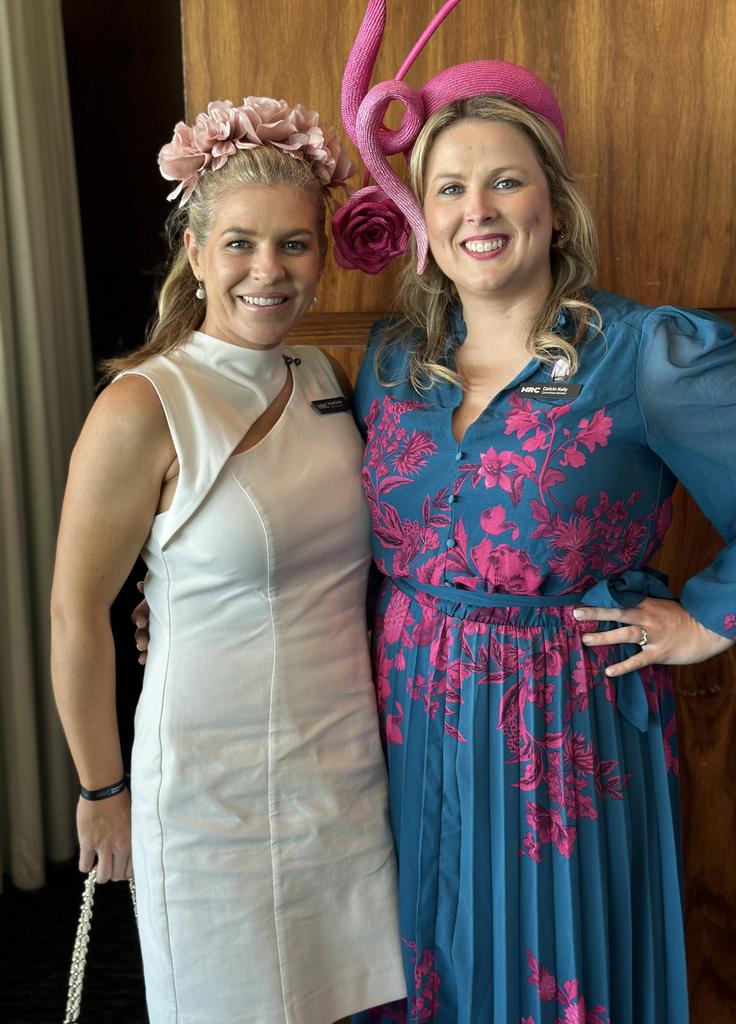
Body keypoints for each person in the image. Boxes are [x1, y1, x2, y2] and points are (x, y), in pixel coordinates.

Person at [328, 1, 736, 1021]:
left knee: (550, 981)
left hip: (564, 744)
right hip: (402, 731)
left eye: (505, 180)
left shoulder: (647, 355)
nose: (477, 208)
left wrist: (706, 618)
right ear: (424, 223)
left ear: (555, 208)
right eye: (449, 187)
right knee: (413, 968)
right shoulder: (393, 363)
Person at [50, 96, 406, 1023]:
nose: (268, 270)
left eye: (294, 245)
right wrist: (101, 788)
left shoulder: (325, 378)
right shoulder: (142, 404)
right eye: (241, 244)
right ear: (197, 255)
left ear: (322, 260)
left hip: (344, 768)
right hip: (209, 786)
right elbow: (76, 613)